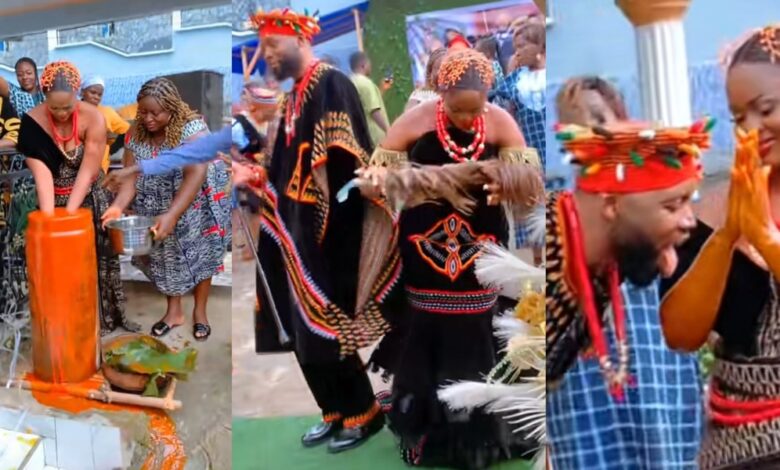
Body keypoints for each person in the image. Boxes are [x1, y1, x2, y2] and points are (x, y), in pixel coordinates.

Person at [359, 48, 542, 469]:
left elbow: (529, 184)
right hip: (425, 241)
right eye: (457, 111)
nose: (466, 120)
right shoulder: (413, 121)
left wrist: (506, 182)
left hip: (482, 238)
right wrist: (407, 181)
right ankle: (428, 429)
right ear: (440, 94)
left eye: (474, 110)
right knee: (430, 321)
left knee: (480, 319)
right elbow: (372, 183)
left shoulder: (500, 121)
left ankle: (485, 429)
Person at [249, 8, 402, 453]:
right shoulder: (292, 96)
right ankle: (331, 411)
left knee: (327, 325)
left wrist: (328, 228)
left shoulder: (330, 82)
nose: (268, 57)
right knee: (295, 324)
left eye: (273, 47)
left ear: (299, 39)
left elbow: (347, 158)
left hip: (329, 227)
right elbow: (282, 162)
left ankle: (363, 412)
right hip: (289, 228)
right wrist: (259, 178)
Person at [545, 76, 702, 469]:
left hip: (649, 371)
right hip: (583, 396)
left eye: (599, 116)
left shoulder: (643, 211)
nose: (591, 128)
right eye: (576, 118)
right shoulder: (565, 227)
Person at [659, 25, 780, 469]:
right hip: (735, 449)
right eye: (737, 116)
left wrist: (765, 238)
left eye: (764, 108)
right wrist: (728, 234)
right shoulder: (714, 207)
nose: (750, 129)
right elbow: (681, 335)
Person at [102, 77, 230, 342]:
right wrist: (117, 207)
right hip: (156, 197)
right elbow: (130, 179)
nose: (147, 118)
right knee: (165, 256)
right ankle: (174, 313)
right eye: (143, 112)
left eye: (155, 113)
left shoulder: (190, 128)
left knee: (201, 254)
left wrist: (172, 214)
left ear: (171, 109)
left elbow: (195, 172)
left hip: (196, 197)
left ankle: (200, 312)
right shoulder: (136, 132)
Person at [15, 61, 138, 334]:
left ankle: (102, 322)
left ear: (76, 95)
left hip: (90, 197)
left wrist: (71, 215)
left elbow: (89, 166)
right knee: (60, 265)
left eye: (67, 107)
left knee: (97, 260)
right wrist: (51, 223)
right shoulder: (32, 123)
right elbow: (43, 176)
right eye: (54, 107)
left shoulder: (93, 117)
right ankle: (67, 323)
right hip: (51, 199)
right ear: (43, 96)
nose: (61, 113)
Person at [80, 75, 131, 173]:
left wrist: (113, 143)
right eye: (93, 92)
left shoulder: (107, 112)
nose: (96, 97)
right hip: (77, 165)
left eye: (99, 94)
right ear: (82, 92)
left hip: (100, 167)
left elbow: (128, 129)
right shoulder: (74, 111)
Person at [350, 51, 390, 149]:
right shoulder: (366, 84)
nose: (370, 67)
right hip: (376, 138)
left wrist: (382, 89)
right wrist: (389, 131)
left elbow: (365, 104)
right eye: (369, 64)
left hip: (363, 139)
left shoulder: (350, 83)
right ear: (363, 65)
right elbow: (374, 111)